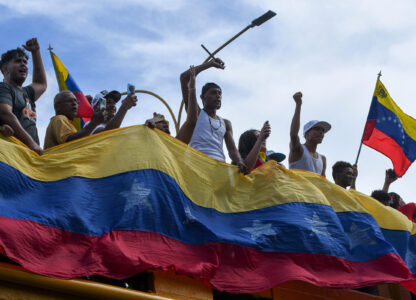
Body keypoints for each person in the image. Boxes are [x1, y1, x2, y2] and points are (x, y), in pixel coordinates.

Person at [180, 59, 246, 172]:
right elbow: (184, 78)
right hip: (197, 166)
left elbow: (232, 150)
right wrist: (209, 64)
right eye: (213, 93)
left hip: (219, 168)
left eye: (219, 93)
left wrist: (240, 161)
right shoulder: (196, 113)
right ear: (202, 97)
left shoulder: (226, 123)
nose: (218, 96)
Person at [0, 38, 47, 155]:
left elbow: (41, 83)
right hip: (12, 154)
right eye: (18, 61)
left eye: (25, 62)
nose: (23, 64)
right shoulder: (4, 88)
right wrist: (31, 144)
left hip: (29, 155)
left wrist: (36, 52)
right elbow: (5, 113)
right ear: (5, 69)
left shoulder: (27, 93)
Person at [146, 65, 199, 144]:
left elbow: (192, 122)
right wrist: (147, 126)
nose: (165, 123)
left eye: (165, 122)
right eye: (160, 122)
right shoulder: (145, 144)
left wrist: (192, 88)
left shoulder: (175, 144)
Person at [288, 92, 330, 176]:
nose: (321, 132)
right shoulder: (298, 149)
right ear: (306, 134)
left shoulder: (322, 159)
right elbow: (293, 134)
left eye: (322, 130)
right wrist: (298, 105)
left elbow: (323, 182)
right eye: (317, 129)